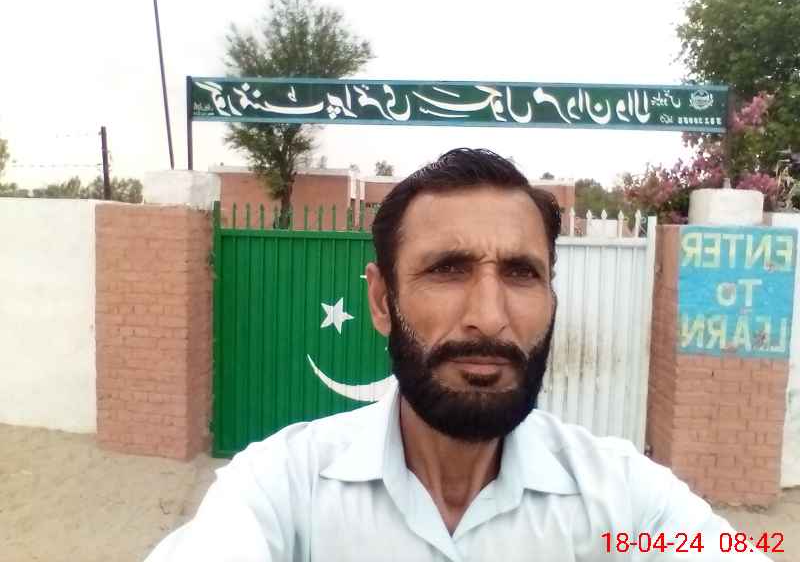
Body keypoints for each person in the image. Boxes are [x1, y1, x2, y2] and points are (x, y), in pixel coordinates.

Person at [146, 148, 767, 561]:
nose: (490, 317)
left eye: (521, 273)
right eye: (447, 269)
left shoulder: (622, 499)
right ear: (382, 301)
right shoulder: (282, 488)